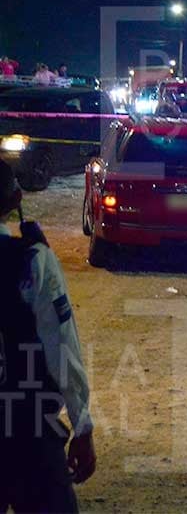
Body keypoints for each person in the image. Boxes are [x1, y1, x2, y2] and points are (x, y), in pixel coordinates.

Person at [0, 159, 96, 512]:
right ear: (15, 201)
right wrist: (82, 424)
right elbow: (61, 344)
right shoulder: (32, 261)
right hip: (26, 431)